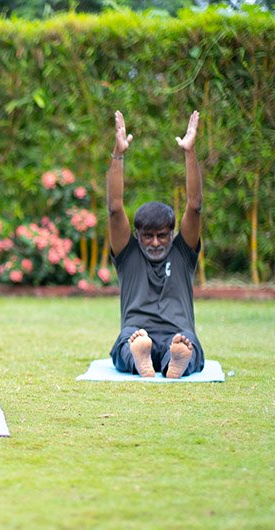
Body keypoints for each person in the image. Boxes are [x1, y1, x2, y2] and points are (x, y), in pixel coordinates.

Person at [106, 110, 205, 379]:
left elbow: (194, 207)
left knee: (186, 347)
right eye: (148, 236)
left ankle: (176, 357)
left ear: (172, 233)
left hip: (178, 334)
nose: (155, 242)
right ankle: (142, 356)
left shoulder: (183, 252)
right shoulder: (128, 254)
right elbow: (115, 209)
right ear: (137, 235)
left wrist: (190, 152)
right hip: (138, 332)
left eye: (162, 235)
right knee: (128, 344)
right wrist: (118, 154)